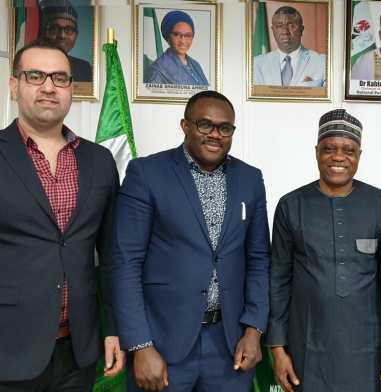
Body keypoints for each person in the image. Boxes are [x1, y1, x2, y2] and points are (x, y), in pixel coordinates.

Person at [0, 38, 123, 392]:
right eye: (35, 76)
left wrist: (114, 329)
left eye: (60, 78)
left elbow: (111, 258)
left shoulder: (100, 161)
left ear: (71, 89)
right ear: (15, 86)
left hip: (79, 353)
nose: (49, 86)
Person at [110, 91, 270, 392]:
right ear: (185, 126)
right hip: (162, 343)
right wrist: (141, 345)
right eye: (205, 125)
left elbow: (259, 260)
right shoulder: (147, 173)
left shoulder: (250, 179)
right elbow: (125, 263)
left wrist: (254, 329)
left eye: (225, 128)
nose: (215, 135)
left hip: (229, 345)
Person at [267, 109, 381, 392]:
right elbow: (278, 281)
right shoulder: (291, 205)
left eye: (348, 150)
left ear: (359, 155)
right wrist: (278, 348)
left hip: (369, 348)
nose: (339, 157)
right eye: (329, 148)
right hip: (307, 346)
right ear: (317, 152)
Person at [253, 6, 326, 87]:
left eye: (291, 26)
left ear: (301, 30)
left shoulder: (322, 63)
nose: (285, 32)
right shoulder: (257, 64)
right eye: (279, 26)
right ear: (273, 30)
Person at [144, 11, 209, 86]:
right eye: (177, 35)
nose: (183, 41)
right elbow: (151, 96)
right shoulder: (158, 68)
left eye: (188, 36)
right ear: (168, 36)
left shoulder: (195, 64)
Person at [40, 0, 93, 83]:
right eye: (56, 28)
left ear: (76, 35)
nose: (62, 35)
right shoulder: (32, 63)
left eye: (69, 30)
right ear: (45, 32)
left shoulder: (84, 68)